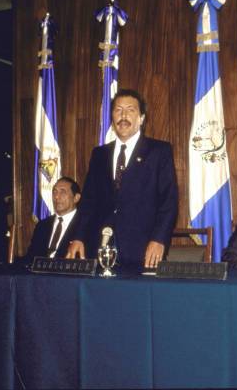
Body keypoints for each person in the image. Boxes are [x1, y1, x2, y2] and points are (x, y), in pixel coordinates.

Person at [66, 89, 178, 271]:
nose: (123, 115)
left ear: (141, 118)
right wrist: (78, 237)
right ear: (112, 117)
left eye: (130, 110)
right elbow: (88, 203)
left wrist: (158, 239)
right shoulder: (99, 154)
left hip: (144, 251)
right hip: (101, 250)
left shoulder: (159, 152)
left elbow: (169, 201)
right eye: (118, 110)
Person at [23, 177, 82, 263]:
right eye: (54, 192)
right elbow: (30, 258)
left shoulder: (84, 225)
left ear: (76, 198)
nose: (56, 197)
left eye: (63, 192)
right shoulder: (42, 225)